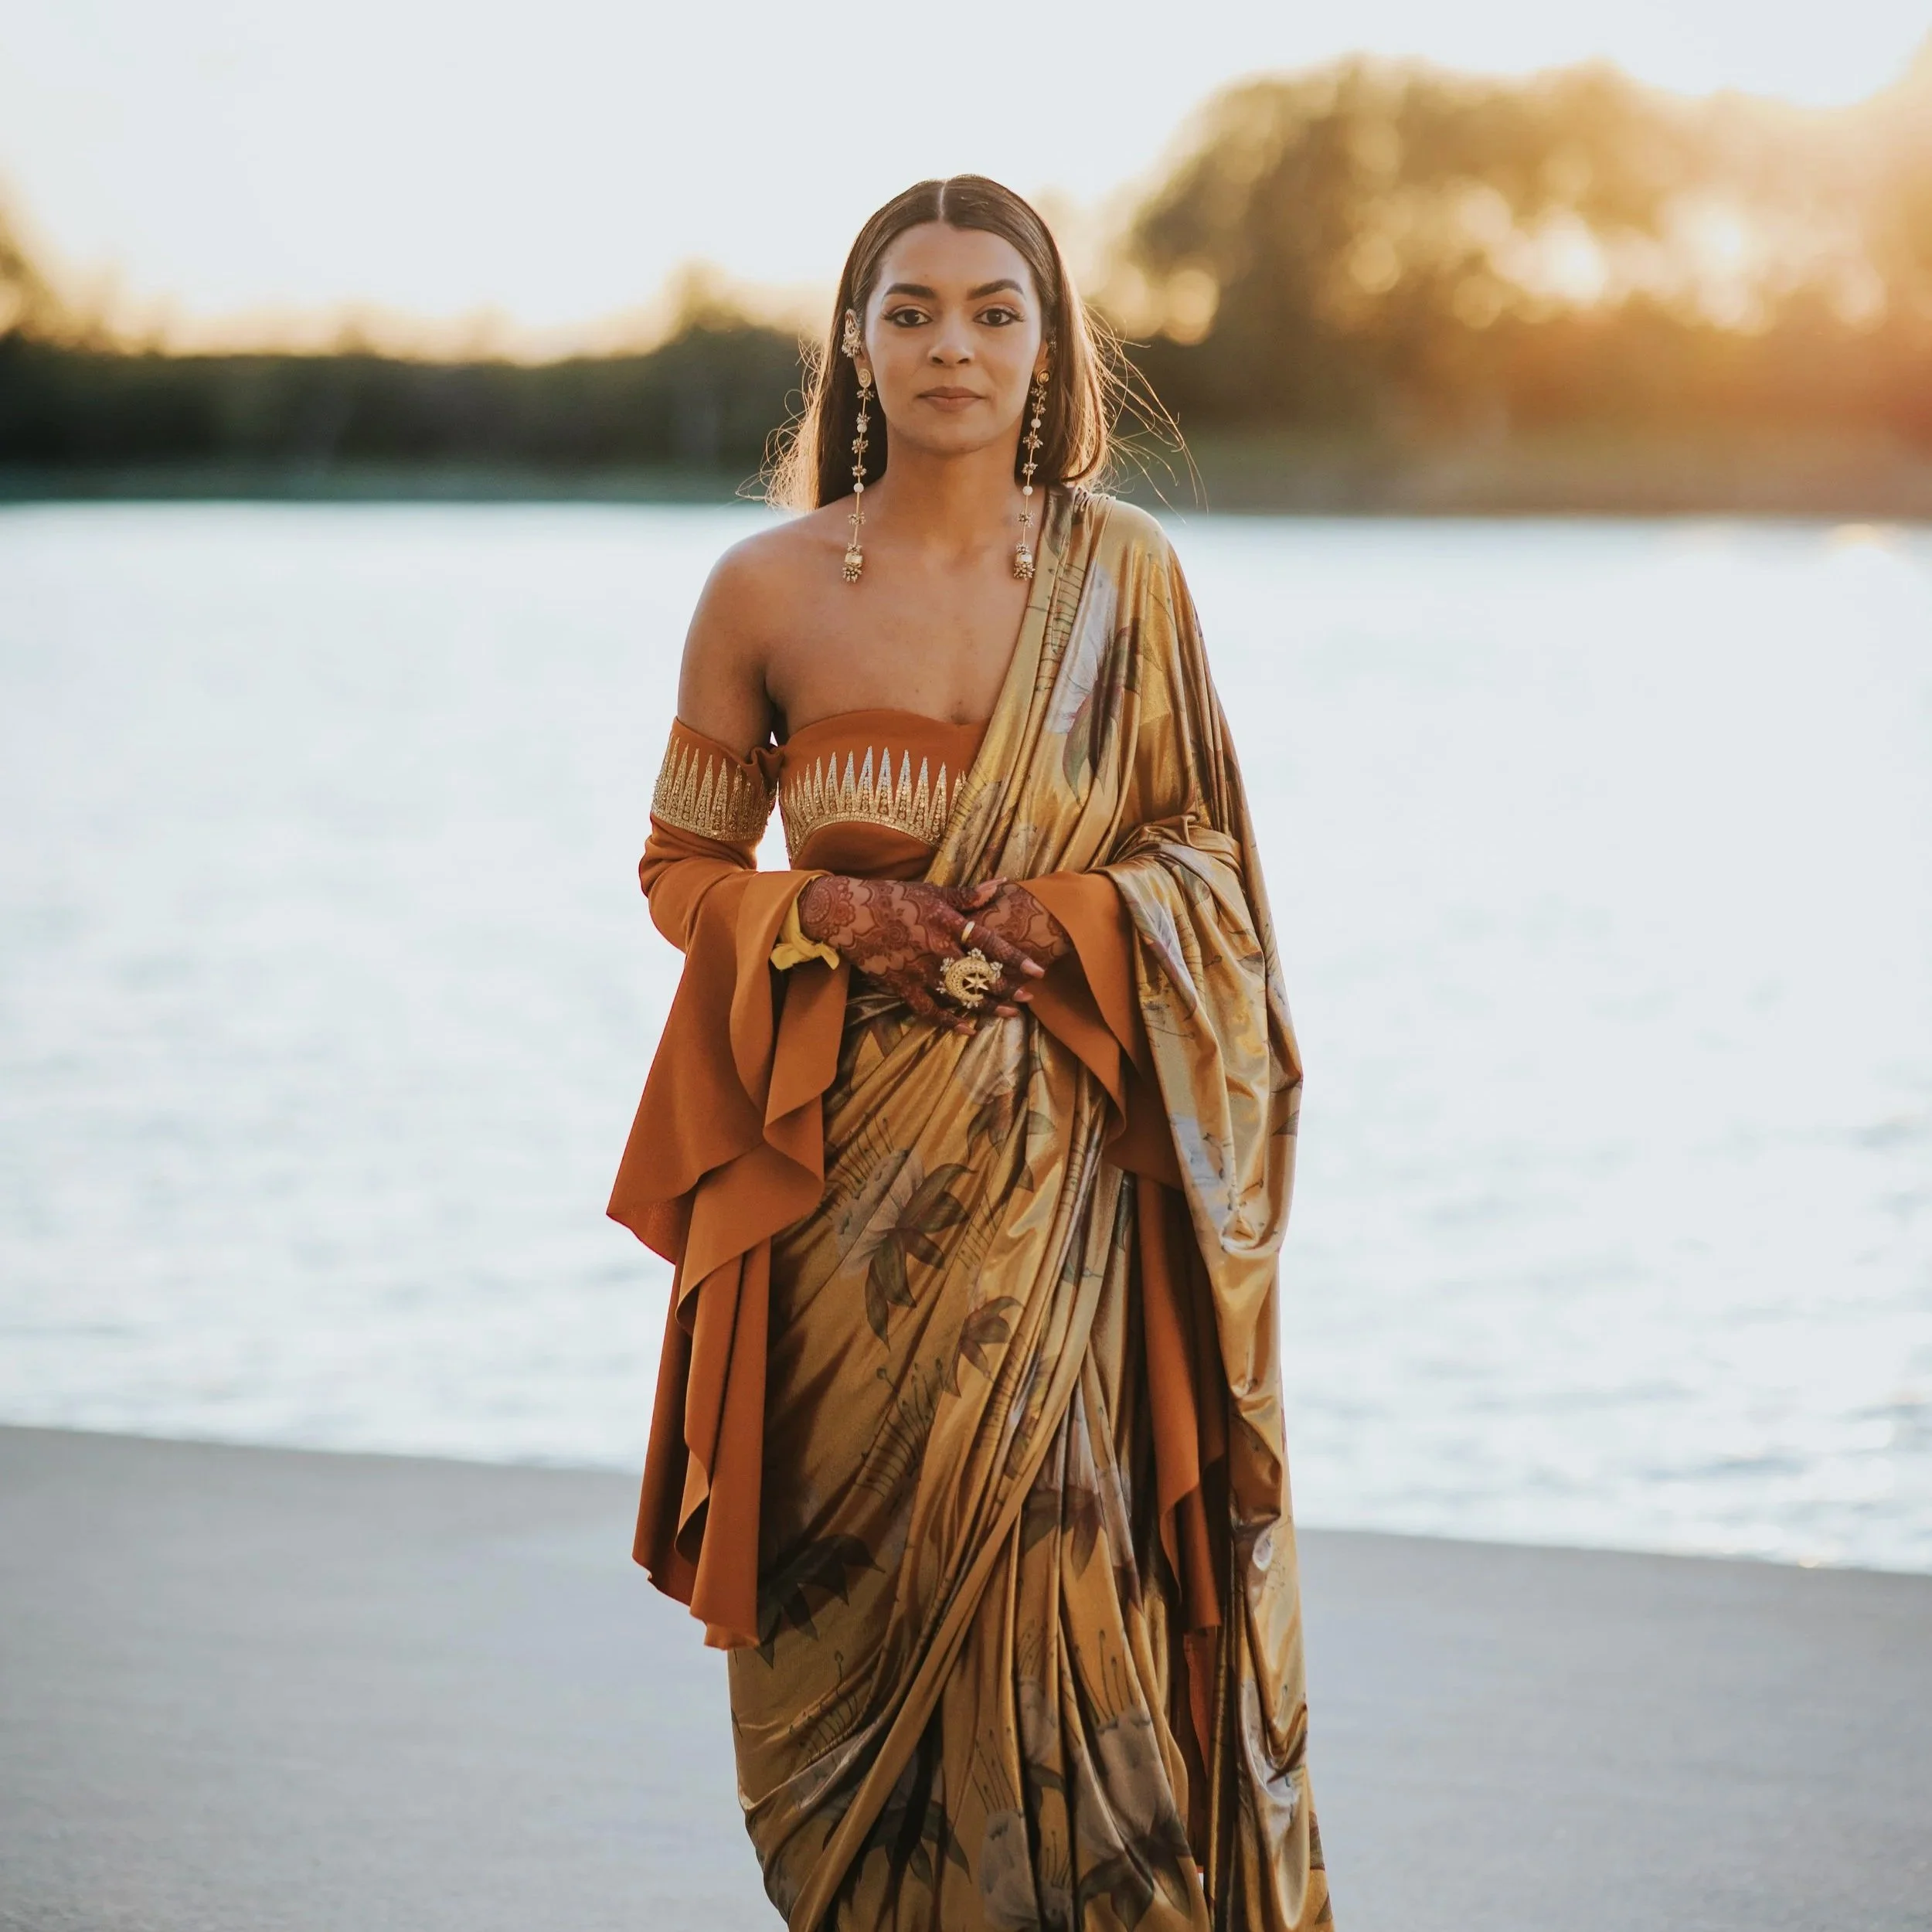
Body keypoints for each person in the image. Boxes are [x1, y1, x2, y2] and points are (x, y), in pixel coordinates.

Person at [608, 175, 1332, 1932]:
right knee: (844, 1602)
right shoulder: (763, 588)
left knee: (1078, 1581)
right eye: (913, 308)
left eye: (993, 310)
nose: (952, 345)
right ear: (854, 341)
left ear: (1048, 342)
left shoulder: (1125, 582)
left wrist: (1069, 918)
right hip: (836, 1189)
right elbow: (677, 870)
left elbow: (1210, 881)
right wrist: (827, 917)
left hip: (1069, 1196)